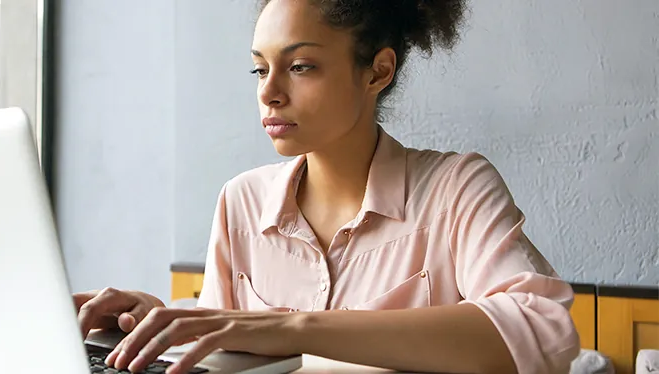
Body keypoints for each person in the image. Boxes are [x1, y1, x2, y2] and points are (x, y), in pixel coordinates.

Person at [74, 0, 581, 373]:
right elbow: (226, 344)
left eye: (300, 67)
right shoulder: (241, 201)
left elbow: (540, 330)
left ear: (378, 71)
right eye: (260, 68)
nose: (269, 92)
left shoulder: (455, 188)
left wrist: (296, 327)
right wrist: (158, 325)